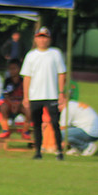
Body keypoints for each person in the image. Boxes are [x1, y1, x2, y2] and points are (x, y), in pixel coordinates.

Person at [21, 26, 66, 160]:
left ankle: (59, 150)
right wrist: (26, 96)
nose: (42, 40)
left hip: (51, 94)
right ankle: (38, 151)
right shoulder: (31, 55)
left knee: (54, 122)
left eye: (44, 37)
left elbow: (61, 74)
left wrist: (61, 93)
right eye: (40, 37)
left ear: (49, 39)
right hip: (35, 95)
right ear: (35, 39)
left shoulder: (55, 53)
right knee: (37, 123)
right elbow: (27, 76)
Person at [0, 59, 26, 139]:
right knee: (3, 107)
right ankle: (5, 130)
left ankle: (25, 131)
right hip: (10, 103)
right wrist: (12, 104)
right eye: (10, 69)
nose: (12, 71)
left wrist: (18, 104)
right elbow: (6, 95)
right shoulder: (7, 81)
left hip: (21, 104)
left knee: (29, 111)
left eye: (14, 68)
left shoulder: (23, 81)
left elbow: (26, 95)